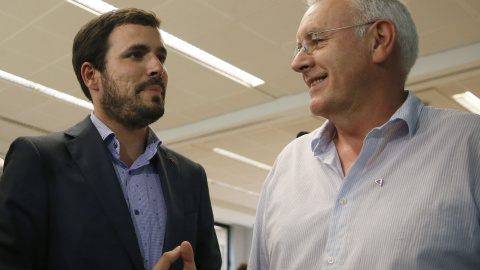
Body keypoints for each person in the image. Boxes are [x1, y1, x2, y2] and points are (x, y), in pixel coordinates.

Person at [248, 0, 480, 269]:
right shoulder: (288, 164)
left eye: (316, 40)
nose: (298, 62)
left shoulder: (469, 146)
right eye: (300, 47)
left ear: (379, 40)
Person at [0, 8, 221, 270]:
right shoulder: (39, 160)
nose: (157, 68)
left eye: (160, 57)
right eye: (136, 55)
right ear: (92, 75)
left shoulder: (190, 176)